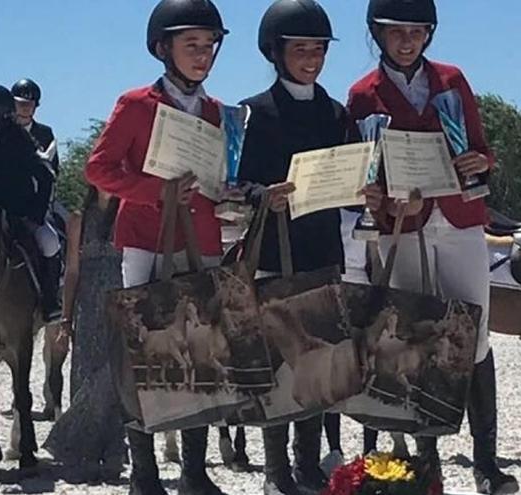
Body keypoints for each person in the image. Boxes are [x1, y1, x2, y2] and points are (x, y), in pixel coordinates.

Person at [346, 1, 517, 493]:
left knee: (476, 335)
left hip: (460, 220)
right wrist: (376, 194)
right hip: (404, 224)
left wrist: (476, 163)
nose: (407, 41)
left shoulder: (452, 80)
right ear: (379, 36)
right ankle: (427, 463)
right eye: (396, 32)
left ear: (428, 34)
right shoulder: (363, 94)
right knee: (415, 341)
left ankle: (486, 462)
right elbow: (365, 167)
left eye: (417, 31)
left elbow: (483, 149)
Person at [84, 1, 230, 493]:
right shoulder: (135, 105)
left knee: (201, 352)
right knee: (142, 351)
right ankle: (143, 471)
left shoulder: (216, 111)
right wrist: (155, 191)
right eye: (192, 45)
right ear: (163, 48)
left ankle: (194, 469)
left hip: (202, 238)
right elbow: (98, 169)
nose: (202, 55)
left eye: (208, 45)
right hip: (146, 239)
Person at [236, 1, 353, 493]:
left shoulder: (337, 113)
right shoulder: (253, 113)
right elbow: (238, 183)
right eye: (300, 49)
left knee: (318, 365)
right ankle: (275, 471)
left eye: (318, 49)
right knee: (278, 365)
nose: (311, 59)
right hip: (273, 256)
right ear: (276, 53)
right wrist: (264, 195)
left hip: (324, 251)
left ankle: (308, 465)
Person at [43, 186, 126, 482]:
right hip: (88, 305)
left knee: (115, 377)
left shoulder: (128, 213)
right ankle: (85, 451)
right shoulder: (78, 219)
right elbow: (73, 271)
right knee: (87, 375)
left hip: (120, 303)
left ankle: (115, 447)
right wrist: (65, 318)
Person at [0, 82, 62, 322]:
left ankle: (50, 301)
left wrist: (38, 214)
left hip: (21, 210)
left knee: (50, 243)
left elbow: (45, 175)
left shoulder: (18, 136)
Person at [12, 78, 60, 176]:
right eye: (21, 104)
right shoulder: (1, 132)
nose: (25, 108)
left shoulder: (45, 133)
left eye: (29, 104)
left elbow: (54, 168)